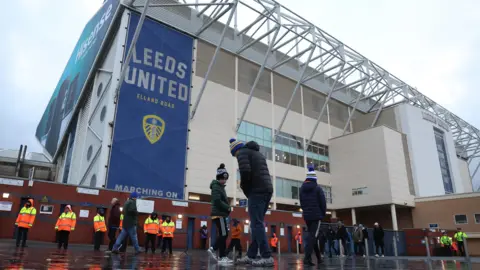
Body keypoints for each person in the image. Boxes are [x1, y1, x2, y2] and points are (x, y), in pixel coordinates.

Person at [230, 138, 274, 267]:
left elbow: (245, 171)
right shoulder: (256, 153)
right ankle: (251, 255)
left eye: (234, 155)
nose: (236, 157)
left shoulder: (242, 153)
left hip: (257, 190)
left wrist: (245, 187)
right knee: (257, 223)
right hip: (266, 189)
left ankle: (266, 256)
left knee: (256, 224)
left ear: (235, 151)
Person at [299, 164, 326, 266]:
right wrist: (322, 214)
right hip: (316, 216)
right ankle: (307, 258)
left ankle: (318, 258)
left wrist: (305, 210)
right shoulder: (317, 188)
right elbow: (323, 203)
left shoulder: (302, 189)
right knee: (313, 236)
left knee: (312, 236)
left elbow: (301, 202)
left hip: (307, 216)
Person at [207, 163, 233, 265]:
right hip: (219, 214)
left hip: (221, 214)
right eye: (223, 178)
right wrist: (228, 207)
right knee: (224, 234)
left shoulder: (220, 186)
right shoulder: (217, 187)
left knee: (224, 234)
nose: (224, 180)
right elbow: (217, 201)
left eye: (225, 179)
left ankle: (222, 256)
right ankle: (214, 249)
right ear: (219, 177)